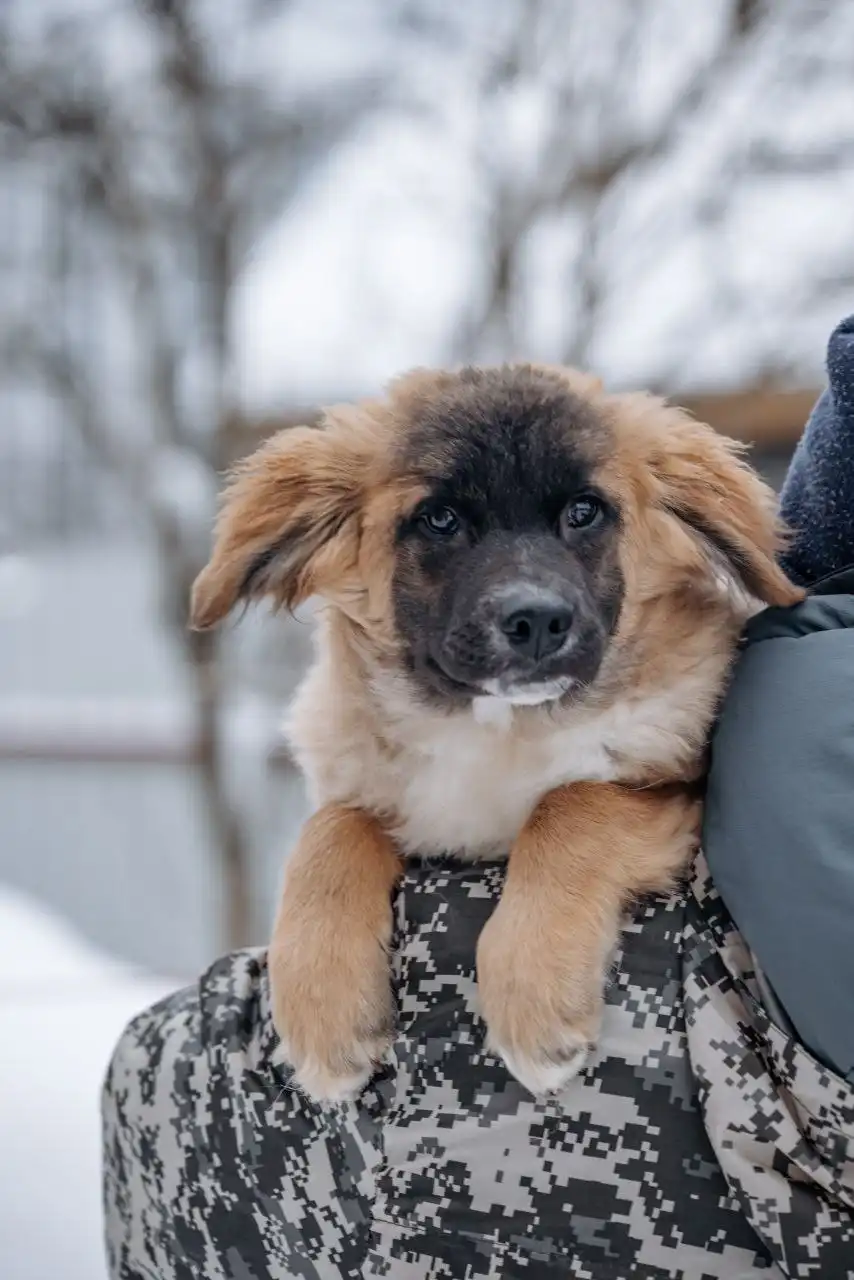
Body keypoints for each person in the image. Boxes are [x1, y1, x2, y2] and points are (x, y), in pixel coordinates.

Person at [102, 319, 854, 1280]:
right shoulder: (365, 741)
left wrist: (576, 843)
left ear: (664, 527)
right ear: (335, 540)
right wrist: (334, 865)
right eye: (443, 524)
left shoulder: (714, 707)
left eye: (582, 517)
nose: (530, 594)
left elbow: (701, 807)